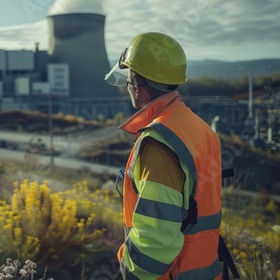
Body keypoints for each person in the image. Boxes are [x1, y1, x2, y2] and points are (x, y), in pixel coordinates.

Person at [105, 32, 223, 279]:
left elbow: (156, 243)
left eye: (129, 80)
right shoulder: (199, 128)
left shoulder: (160, 143)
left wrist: (129, 274)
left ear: (138, 86)